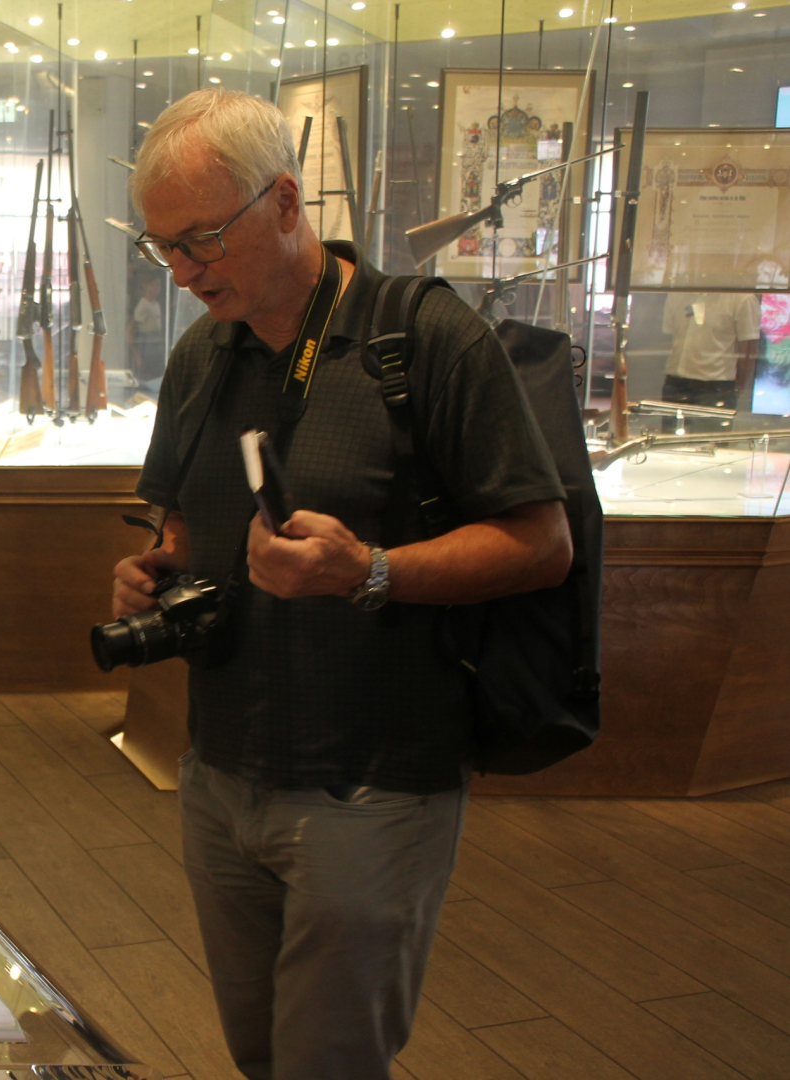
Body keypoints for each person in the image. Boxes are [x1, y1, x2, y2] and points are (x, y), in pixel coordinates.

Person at [111, 90, 573, 1080]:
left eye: (202, 240)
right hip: (218, 773)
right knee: (256, 1053)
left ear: (285, 201)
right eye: (165, 249)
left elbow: (541, 543)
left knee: (327, 1061)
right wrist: (155, 569)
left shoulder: (429, 342)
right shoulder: (202, 354)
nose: (184, 273)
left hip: (374, 783)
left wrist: (369, 572)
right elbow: (181, 520)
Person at [660, 291, 760, 411]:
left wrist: (736, 388)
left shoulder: (742, 299)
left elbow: (749, 351)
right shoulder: (678, 294)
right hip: (675, 384)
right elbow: (669, 339)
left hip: (715, 388)